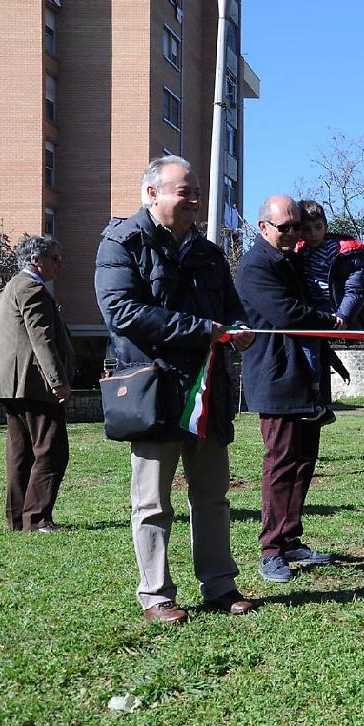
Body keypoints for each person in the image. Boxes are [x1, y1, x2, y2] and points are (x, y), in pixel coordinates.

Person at [94, 155, 256, 624]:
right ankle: (156, 595)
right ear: (152, 193)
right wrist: (202, 329)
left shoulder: (209, 253)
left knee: (213, 496)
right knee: (152, 502)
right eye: (185, 192)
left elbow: (231, 307)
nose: (195, 201)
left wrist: (238, 328)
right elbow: (122, 312)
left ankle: (220, 585)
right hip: (153, 392)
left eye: (198, 193)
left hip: (207, 393)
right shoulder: (121, 243)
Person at [236, 195, 345, 584]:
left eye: (297, 226)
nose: (294, 233)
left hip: (305, 378)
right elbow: (288, 315)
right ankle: (270, 551)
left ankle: (290, 539)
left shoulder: (293, 260)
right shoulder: (256, 265)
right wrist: (330, 320)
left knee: (303, 461)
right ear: (263, 227)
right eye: (285, 227)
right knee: (281, 464)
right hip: (277, 378)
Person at [0, 236, 75, 533]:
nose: (60, 265)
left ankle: (19, 520)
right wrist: (58, 381)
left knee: (21, 453)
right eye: (55, 259)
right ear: (36, 259)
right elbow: (42, 339)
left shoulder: (11, 287)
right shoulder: (32, 289)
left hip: (12, 385)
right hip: (33, 384)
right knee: (52, 450)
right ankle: (37, 520)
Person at [296, 199, 364, 399]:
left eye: (318, 227)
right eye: (307, 229)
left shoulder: (343, 252)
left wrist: (343, 315)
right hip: (313, 312)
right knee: (311, 345)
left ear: (326, 227)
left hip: (337, 309)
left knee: (313, 344)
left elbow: (355, 289)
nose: (313, 233)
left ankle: (317, 392)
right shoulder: (299, 253)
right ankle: (314, 391)